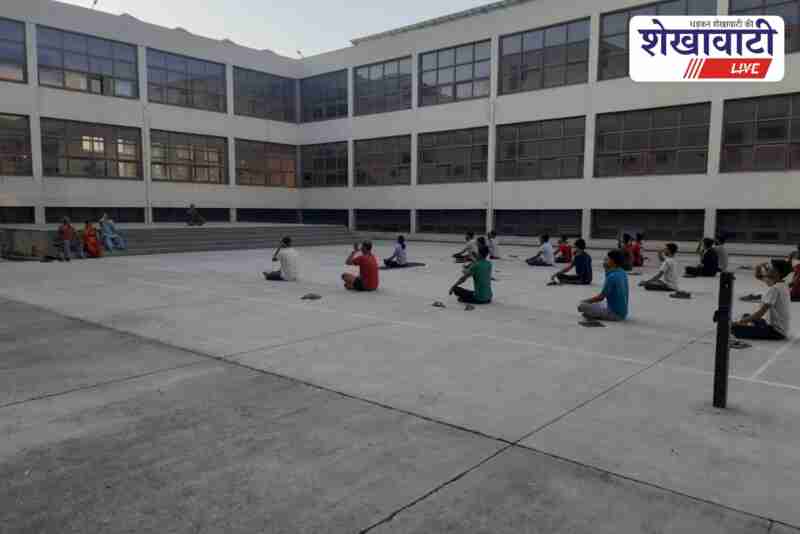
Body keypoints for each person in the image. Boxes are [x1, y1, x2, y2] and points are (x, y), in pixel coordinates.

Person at [732, 266, 791, 340]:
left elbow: (759, 314)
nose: (766, 278)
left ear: (776, 274)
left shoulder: (775, 289)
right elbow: (765, 279)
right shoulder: (784, 285)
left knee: (734, 328)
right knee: (746, 316)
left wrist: (739, 322)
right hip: (782, 329)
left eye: (769, 274)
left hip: (775, 332)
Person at [578, 249, 629, 322]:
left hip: (615, 314)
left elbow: (601, 297)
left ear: (612, 261)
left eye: (607, 259)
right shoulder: (622, 272)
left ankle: (594, 314)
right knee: (597, 305)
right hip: (623, 313)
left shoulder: (612, 276)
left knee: (582, 306)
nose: (604, 261)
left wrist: (584, 301)